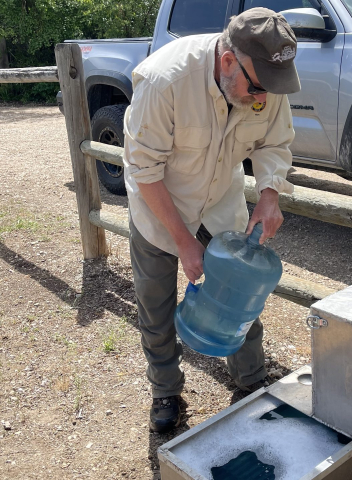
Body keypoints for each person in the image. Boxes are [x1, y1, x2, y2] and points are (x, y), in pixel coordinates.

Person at [123, 7, 300, 433]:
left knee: (240, 296)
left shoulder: (264, 81)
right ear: (227, 62)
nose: (262, 99)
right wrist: (183, 241)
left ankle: (251, 381)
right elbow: (143, 171)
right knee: (156, 305)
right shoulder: (164, 81)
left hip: (221, 205)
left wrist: (270, 194)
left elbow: (275, 143)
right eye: (256, 88)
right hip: (159, 210)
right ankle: (165, 390)